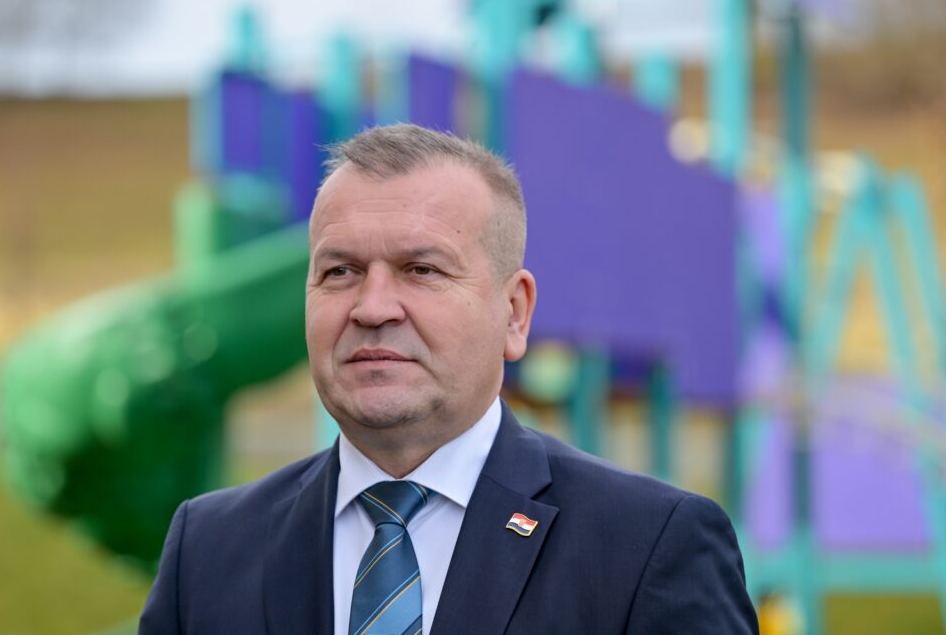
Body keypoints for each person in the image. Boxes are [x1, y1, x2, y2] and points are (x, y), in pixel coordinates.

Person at [139, 124, 759, 634]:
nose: (372, 308)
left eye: (422, 270)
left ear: (513, 313)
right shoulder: (208, 549)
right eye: (340, 272)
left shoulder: (647, 547)